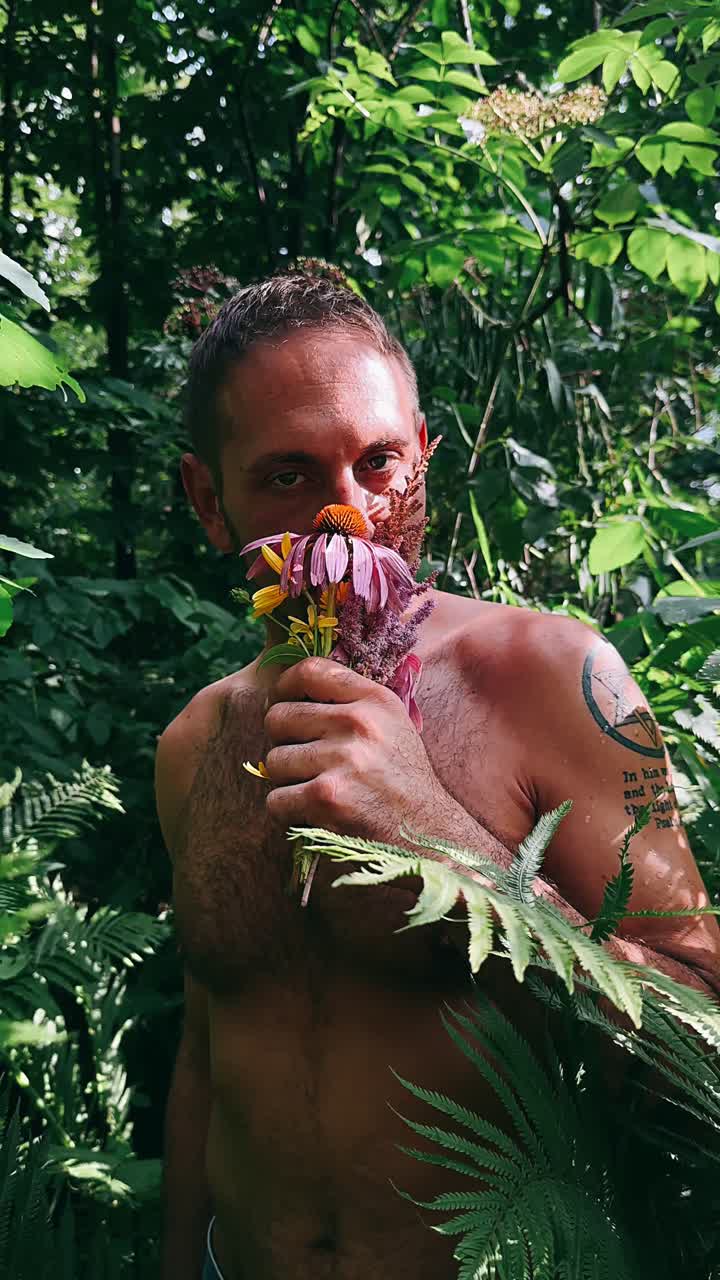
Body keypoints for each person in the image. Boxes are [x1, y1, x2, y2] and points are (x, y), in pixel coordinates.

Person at [156, 272, 720, 1280]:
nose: (347, 522)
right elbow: (208, 1046)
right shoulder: (193, 746)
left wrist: (450, 848)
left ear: (425, 458)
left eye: (377, 463)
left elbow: (702, 1045)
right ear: (209, 497)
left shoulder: (555, 677)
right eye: (287, 476)